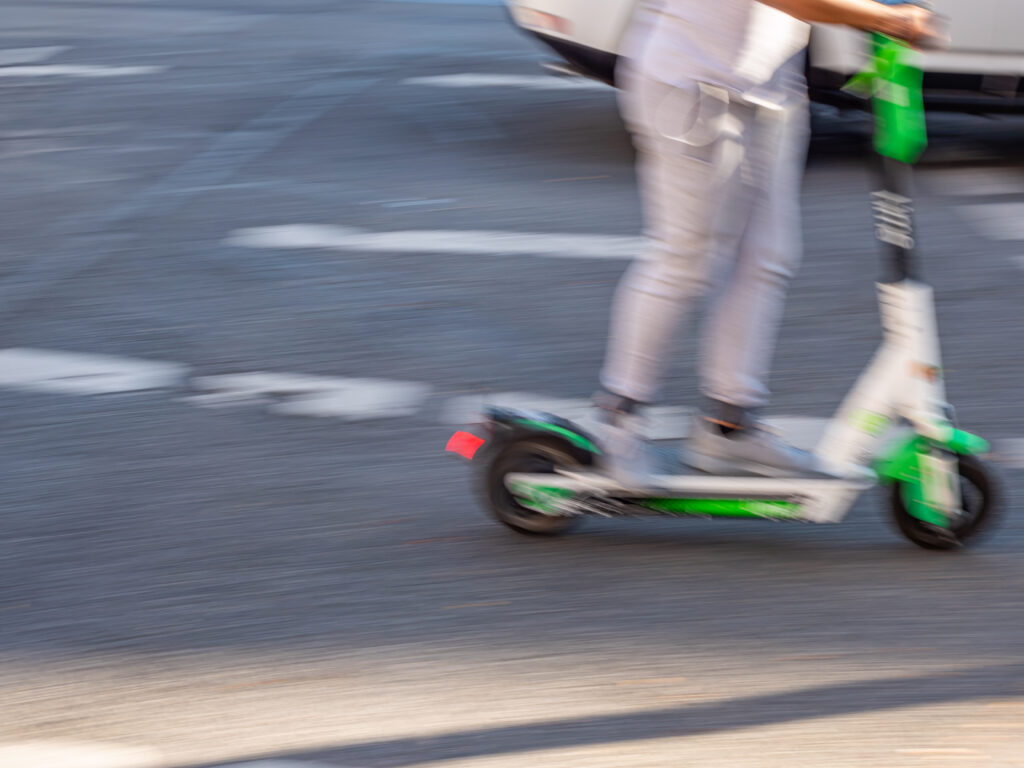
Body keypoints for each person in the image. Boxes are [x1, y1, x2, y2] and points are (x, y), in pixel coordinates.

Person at [592, 0, 944, 485]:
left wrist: (883, 10)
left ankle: (728, 428)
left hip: (770, 91)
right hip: (692, 83)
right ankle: (617, 425)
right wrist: (883, 19)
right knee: (686, 259)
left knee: (766, 258)